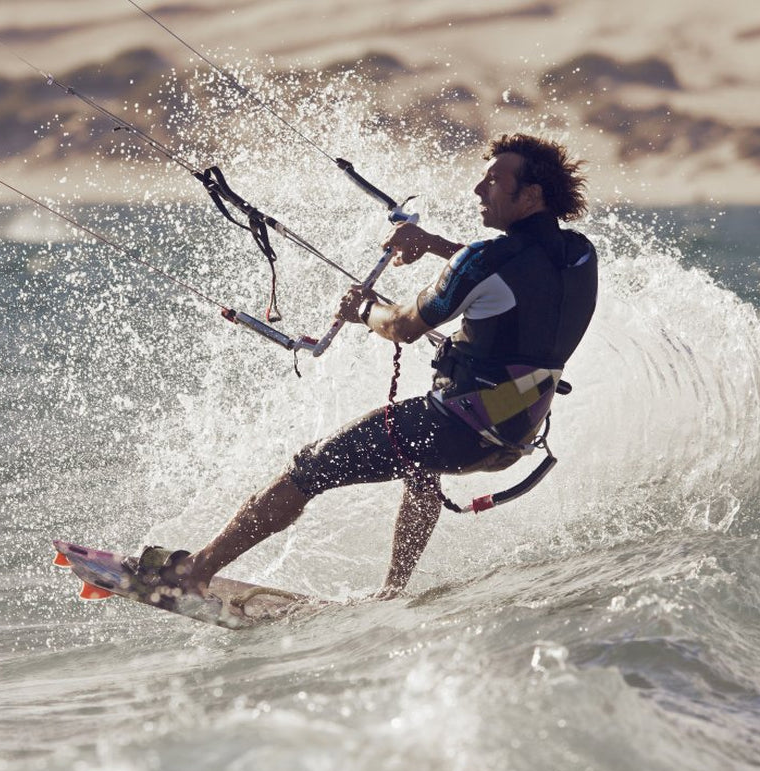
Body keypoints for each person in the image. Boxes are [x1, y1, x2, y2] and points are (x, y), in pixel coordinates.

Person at [157, 132, 598, 598]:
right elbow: (516, 268)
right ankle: (394, 590)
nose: (478, 190)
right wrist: (432, 243)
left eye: (494, 180)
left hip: (457, 430)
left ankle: (197, 570)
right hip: (515, 438)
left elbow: (405, 325)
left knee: (311, 465)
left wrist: (363, 311)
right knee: (421, 465)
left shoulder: (485, 260)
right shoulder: (578, 254)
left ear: (530, 194)